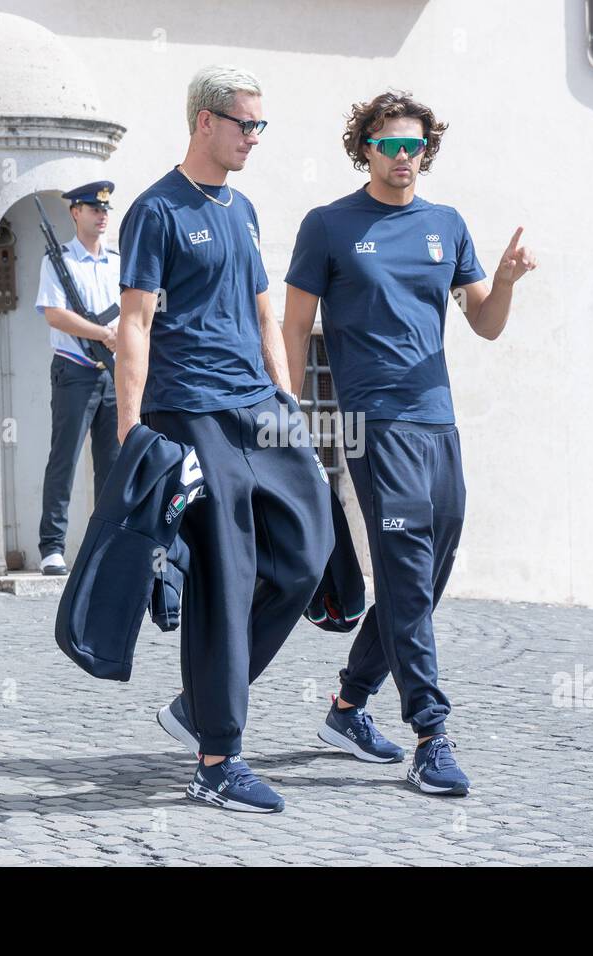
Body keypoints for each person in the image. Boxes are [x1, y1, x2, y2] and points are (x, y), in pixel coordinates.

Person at [283, 90, 537, 796]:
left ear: (428, 149)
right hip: (372, 425)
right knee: (404, 567)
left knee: (421, 578)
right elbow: (297, 328)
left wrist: (508, 281)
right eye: (389, 144)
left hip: (438, 422)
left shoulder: (447, 225)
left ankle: (345, 708)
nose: (403, 156)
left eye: (414, 145)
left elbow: (484, 323)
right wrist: (293, 418)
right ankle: (432, 733)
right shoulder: (329, 226)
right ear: (364, 147)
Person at [116, 66, 334, 813]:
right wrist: (131, 436)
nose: (254, 138)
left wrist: (288, 400)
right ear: (204, 122)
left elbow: (266, 314)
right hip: (192, 412)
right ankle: (218, 759)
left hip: (259, 409)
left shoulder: (242, 211)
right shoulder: (155, 211)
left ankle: (198, 704)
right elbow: (135, 325)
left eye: (261, 126)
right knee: (228, 574)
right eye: (245, 124)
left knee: (310, 553)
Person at [34, 181, 122, 576]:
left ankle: (104, 545)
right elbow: (54, 313)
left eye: (105, 209)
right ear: (75, 213)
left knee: (113, 463)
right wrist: (103, 334)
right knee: (64, 459)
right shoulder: (58, 261)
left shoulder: (118, 261)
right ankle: (52, 546)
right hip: (75, 371)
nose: (101, 215)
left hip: (114, 374)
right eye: (92, 208)